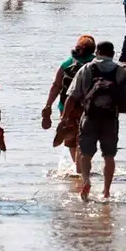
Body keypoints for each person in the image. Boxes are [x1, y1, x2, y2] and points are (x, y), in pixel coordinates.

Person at [61, 41, 126, 200]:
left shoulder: (86, 69)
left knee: (85, 154)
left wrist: (64, 118)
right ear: (112, 53)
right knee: (109, 156)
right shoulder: (119, 70)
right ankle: (106, 191)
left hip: (90, 117)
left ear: (97, 52)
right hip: (110, 118)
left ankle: (86, 180)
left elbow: (71, 97)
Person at [41, 35, 96, 170]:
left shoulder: (66, 63)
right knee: (85, 137)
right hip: (89, 107)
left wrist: (48, 105)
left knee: (71, 140)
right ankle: (81, 167)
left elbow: (56, 85)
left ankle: (77, 166)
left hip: (66, 107)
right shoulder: (95, 64)